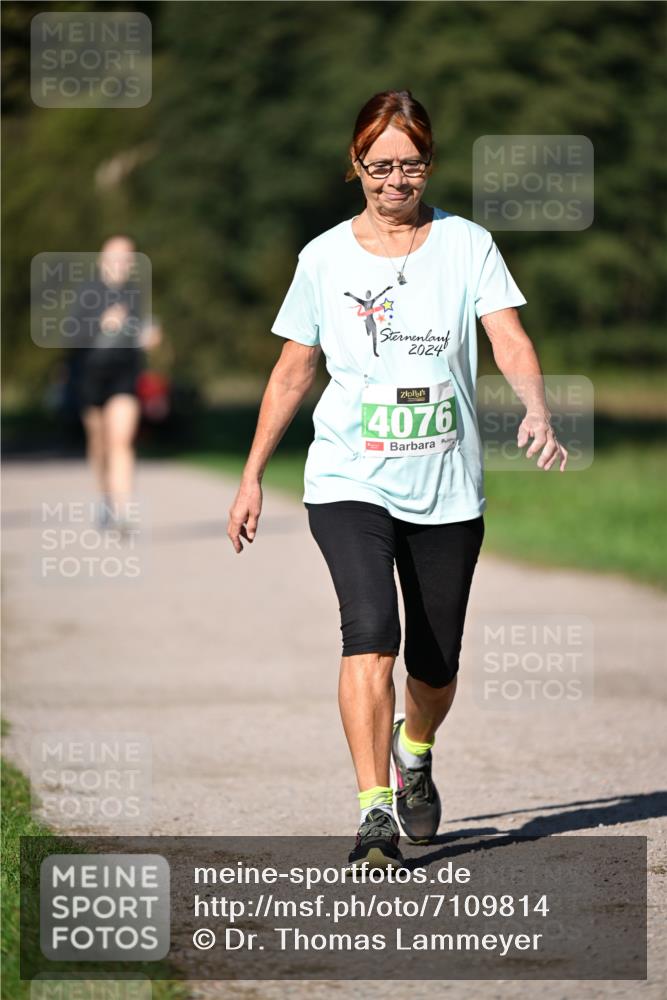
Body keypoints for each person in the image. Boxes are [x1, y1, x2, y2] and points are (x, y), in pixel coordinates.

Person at [227, 90, 568, 868]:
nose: (394, 181)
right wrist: (251, 474)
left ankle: (414, 750)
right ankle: (373, 810)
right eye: (379, 166)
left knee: (435, 663)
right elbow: (291, 373)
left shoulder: (466, 245)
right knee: (369, 632)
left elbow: (507, 337)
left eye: (409, 165)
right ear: (355, 166)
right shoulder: (322, 257)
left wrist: (537, 411)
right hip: (349, 476)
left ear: (429, 164)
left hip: (446, 485)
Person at [66, 236, 159, 531]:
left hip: (124, 376)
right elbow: (70, 334)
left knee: (122, 440)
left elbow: (141, 329)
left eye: (127, 257)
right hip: (90, 377)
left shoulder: (135, 295)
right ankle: (104, 498)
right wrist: (100, 325)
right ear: (102, 260)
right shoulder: (87, 292)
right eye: (116, 257)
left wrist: (149, 337)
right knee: (100, 443)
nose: (122, 263)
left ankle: (123, 510)